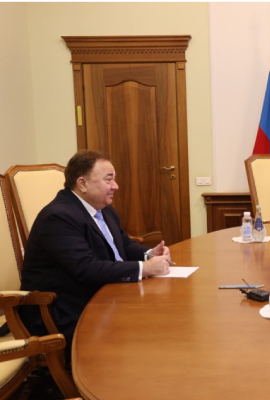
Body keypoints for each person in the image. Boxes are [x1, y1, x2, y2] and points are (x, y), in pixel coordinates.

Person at [19, 150, 171, 355]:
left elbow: (123, 245)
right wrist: (145, 268)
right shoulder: (58, 217)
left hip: (106, 294)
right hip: (65, 310)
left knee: (160, 317)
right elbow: (86, 268)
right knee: (148, 332)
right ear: (82, 184)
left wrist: (150, 254)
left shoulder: (103, 208)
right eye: (109, 180)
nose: (116, 186)